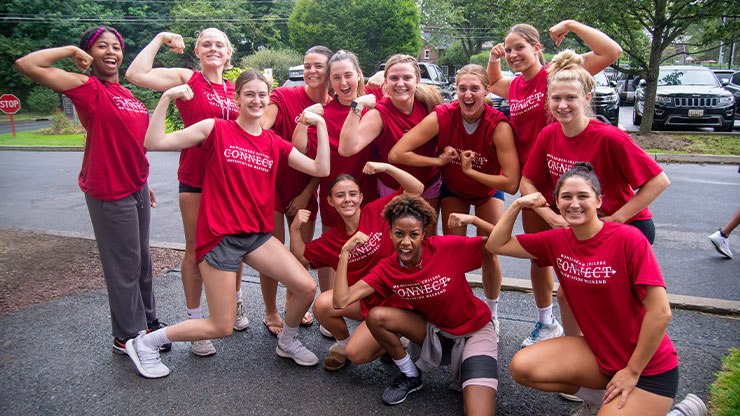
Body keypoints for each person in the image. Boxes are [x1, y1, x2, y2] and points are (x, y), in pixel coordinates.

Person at [125, 69, 329, 378]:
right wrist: (166, 97)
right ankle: (146, 342)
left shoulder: (275, 143)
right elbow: (154, 141)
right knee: (221, 325)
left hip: (256, 236)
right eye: (249, 94)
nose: (256, 100)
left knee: (305, 286)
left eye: (262, 94)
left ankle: (287, 342)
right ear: (236, 99)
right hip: (220, 237)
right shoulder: (215, 129)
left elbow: (321, 167)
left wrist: (321, 125)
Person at [15, 26, 169, 355]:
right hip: (108, 188)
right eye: (101, 46)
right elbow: (27, 64)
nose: (111, 52)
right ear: (90, 54)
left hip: (136, 184)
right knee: (124, 264)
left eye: (116, 46)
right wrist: (71, 49)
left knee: (142, 260)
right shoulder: (87, 86)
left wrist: (145, 181)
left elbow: (130, 143)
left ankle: (150, 323)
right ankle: (127, 336)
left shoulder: (127, 95)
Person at [488, 163, 678, 415]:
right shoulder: (556, 240)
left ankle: (681, 412)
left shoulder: (628, 239)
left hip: (647, 368)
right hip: (600, 355)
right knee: (522, 367)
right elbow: (497, 244)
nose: (574, 203)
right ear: (556, 202)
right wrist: (517, 205)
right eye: (566, 197)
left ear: (599, 201)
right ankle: (601, 400)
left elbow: (660, 313)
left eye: (583, 196)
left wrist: (632, 371)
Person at [487, 20, 623, 347]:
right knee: (540, 257)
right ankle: (546, 324)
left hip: (568, 181)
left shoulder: (556, 75)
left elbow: (611, 51)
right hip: (533, 183)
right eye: (508, 49)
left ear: (537, 48)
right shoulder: (516, 85)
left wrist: (571, 25)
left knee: (582, 259)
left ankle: (590, 330)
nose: (513, 54)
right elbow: (493, 84)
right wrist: (493, 59)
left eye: (520, 47)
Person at [521, 50, 670, 340]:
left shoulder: (610, 137)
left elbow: (658, 181)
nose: (562, 105)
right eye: (556, 99)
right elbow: (527, 182)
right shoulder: (549, 135)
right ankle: (577, 356)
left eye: (570, 98)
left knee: (616, 304)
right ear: (548, 101)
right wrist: (548, 214)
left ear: (587, 98)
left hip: (626, 229)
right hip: (585, 231)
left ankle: (637, 363)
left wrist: (616, 219)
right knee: (568, 297)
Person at [126, 29, 245, 356]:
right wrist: (161, 38)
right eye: (206, 43)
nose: (213, 48)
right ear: (197, 50)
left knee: (233, 244)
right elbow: (135, 74)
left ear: (229, 53)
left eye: (220, 44)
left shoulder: (236, 89)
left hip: (232, 180)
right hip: (196, 177)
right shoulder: (188, 78)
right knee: (195, 249)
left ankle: (235, 305)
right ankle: (195, 325)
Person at [331, 194, 498, 412]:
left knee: (478, 411)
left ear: (424, 234)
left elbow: (497, 244)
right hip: (436, 333)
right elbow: (340, 301)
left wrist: (474, 221)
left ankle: (470, 366)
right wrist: (344, 253)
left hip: (475, 332)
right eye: (399, 234)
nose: (406, 242)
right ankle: (410, 374)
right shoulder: (387, 268)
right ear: (390, 233)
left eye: (414, 234)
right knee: (377, 316)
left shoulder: (446, 247)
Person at [389, 64, 520, 331]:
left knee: (490, 248)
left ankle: (492, 313)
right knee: (451, 251)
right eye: (462, 89)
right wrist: (437, 160)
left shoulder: (498, 125)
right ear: (455, 92)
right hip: (453, 190)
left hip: (487, 191)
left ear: (486, 92)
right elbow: (397, 153)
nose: (468, 94)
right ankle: (452, 307)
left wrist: (470, 171)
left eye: (475, 89)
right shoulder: (444, 116)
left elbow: (511, 182)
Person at [290, 162, 423, 371]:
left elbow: (416, 190)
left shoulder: (379, 211)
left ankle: (394, 337)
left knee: (358, 354)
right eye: (340, 195)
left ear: (361, 198)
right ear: (330, 201)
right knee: (322, 305)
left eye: (353, 194)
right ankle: (343, 344)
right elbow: (302, 257)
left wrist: (386, 168)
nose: (347, 199)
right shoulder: (332, 239)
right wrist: (295, 229)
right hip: (364, 301)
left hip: (397, 298)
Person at [259, 45, 334, 335]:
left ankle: (293, 304)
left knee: (299, 252)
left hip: (306, 188)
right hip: (272, 183)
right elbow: (262, 127)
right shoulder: (285, 96)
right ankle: (270, 311)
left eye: (318, 66)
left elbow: (326, 162)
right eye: (307, 66)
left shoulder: (333, 108)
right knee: (272, 250)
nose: (311, 71)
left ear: (330, 70)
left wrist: (306, 194)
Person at [295, 50, 378, 296]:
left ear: (360, 76)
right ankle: (329, 301)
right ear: (330, 81)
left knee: (371, 247)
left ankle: (368, 300)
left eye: (349, 76)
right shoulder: (323, 114)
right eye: (336, 77)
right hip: (334, 194)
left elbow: (402, 78)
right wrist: (303, 120)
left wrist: (381, 77)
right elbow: (303, 151)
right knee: (332, 250)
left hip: (369, 193)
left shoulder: (375, 105)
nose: (344, 83)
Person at [338, 54, 443, 224]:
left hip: (429, 183)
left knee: (427, 238)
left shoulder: (429, 102)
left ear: (417, 80)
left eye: (406, 78)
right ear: (385, 82)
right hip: (394, 188)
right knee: (397, 240)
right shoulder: (379, 115)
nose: (400, 83)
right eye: (394, 78)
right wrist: (356, 106)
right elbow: (346, 149)